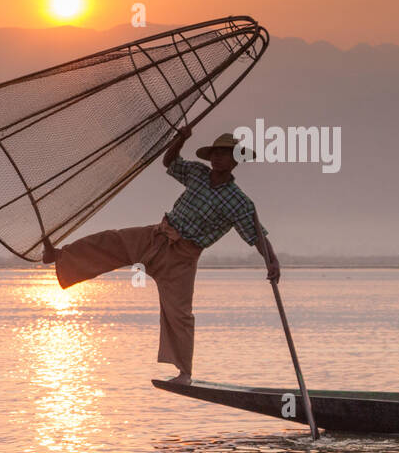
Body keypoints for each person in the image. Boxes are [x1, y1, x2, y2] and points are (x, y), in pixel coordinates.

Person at [41, 126, 280, 384]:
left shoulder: (239, 202)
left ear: (236, 161)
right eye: (215, 153)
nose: (217, 158)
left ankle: (184, 373)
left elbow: (256, 236)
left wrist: (272, 260)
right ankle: (59, 256)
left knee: (179, 313)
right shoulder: (198, 173)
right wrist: (179, 140)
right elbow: (170, 162)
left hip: (183, 258)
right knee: (111, 241)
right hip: (158, 235)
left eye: (225, 154)